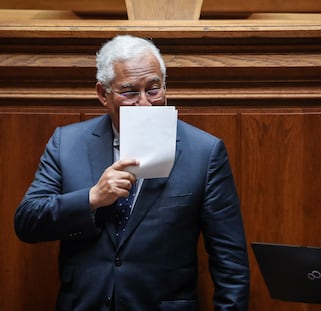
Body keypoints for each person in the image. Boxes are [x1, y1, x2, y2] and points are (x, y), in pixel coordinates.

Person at [14, 35, 250, 310]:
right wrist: (91, 198)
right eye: (129, 92)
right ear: (103, 94)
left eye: (153, 90)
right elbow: (27, 221)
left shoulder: (204, 152)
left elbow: (230, 262)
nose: (144, 104)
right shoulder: (66, 143)